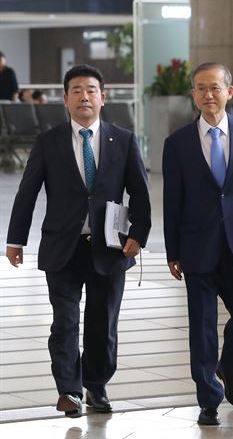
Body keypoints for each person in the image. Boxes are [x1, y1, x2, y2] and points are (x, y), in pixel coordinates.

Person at [5, 64, 151, 418]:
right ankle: (69, 391)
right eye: (76, 90)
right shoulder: (48, 141)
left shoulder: (124, 139)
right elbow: (27, 193)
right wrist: (15, 240)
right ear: (66, 99)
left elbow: (141, 193)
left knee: (103, 324)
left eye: (90, 90)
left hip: (110, 248)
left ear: (103, 97)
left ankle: (96, 386)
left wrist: (138, 236)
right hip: (62, 248)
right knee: (65, 323)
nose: (84, 96)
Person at [162, 62, 233, 426]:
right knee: (202, 325)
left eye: (214, 87)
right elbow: (172, 201)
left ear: (230, 91)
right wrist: (172, 251)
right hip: (196, 247)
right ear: (193, 94)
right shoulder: (177, 142)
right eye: (200, 88)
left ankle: (230, 370)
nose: (207, 95)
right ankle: (208, 397)